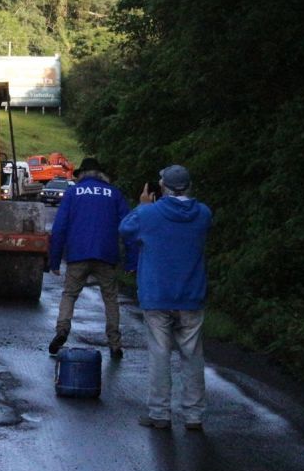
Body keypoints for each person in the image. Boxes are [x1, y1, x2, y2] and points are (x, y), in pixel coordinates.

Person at [119, 164, 212, 431]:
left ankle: (160, 413)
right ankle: (194, 415)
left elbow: (126, 229)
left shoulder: (149, 214)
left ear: (163, 187)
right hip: (191, 294)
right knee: (192, 356)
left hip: (157, 294)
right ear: (189, 186)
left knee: (160, 354)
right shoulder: (203, 214)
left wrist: (142, 205)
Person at [47, 157, 136, 359]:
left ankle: (62, 330)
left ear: (81, 175)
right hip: (107, 255)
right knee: (111, 298)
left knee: (69, 294)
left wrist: (54, 260)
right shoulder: (114, 194)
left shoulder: (72, 193)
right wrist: (132, 260)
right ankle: (115, 343)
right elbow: (130, 228)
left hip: (78, 254)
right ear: (101, 174)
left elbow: (59, 228)